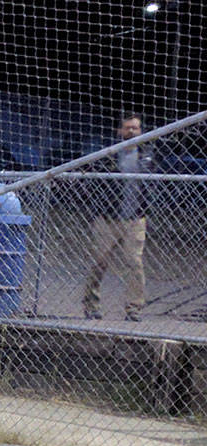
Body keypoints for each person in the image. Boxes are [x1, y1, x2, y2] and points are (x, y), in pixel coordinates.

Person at [82, 113, 154, 323]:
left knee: (134, 263)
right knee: (99, 262)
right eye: (128, 127)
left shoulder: (146, 156)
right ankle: (91, 305)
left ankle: (134, 309)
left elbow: (150, 187)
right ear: (119, 130)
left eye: (135, 128)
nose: (132, 131)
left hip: (135, 218)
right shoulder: (110, 154)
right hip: (108, 218)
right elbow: (95, 183)